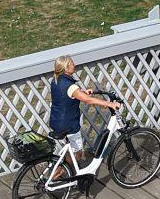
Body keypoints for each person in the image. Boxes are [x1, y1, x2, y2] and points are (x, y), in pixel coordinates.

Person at [48, 55, 120, 184]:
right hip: (68, 123)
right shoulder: (70, 86)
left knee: (70, 148)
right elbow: (87, 100)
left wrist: (81, 92)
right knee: (78, 153)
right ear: (65, 67)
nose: (74, 64)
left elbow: (68, 95)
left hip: (56, 120)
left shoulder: (56, 79)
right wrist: (110, 104)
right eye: (71, 63)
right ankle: (58, 174)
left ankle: (65, 168)